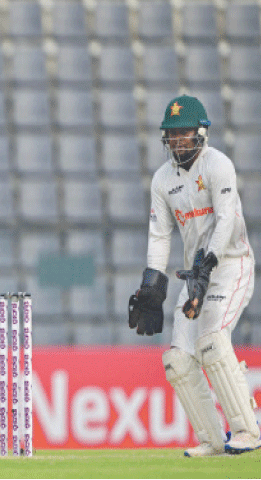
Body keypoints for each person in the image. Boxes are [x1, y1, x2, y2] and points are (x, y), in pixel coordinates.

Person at [128, 95, 258, 456]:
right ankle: (212, 440)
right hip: (195, 276)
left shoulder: (218, 166)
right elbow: (158, 236)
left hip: (231, 266)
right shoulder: (162, 180)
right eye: (172, 136)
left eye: (184, 135)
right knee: (178, 360)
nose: (178, 142)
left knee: (212, 341)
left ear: (201, 134)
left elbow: (226, 220)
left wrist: (209, 263)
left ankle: (248, 429)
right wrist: (152, 285)